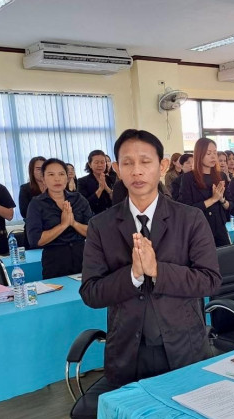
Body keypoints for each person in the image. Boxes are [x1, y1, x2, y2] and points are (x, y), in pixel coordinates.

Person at [80, 129, 221, 389]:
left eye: (145, 162)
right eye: (127, 163)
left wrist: (157, 270)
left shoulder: (190, 219)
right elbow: (91, 293)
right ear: (117, 169)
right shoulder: (101, 225)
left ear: (162, 166)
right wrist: (132, 275)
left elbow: (209, 280)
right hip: (127, 353)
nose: (137, 171)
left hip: (184, 347)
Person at [26, 158, 92, 278]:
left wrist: (73, 223)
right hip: (55, 262)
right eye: (51, 174)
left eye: (61, 174)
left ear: (67, 177)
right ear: (43, 178)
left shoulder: (79, 199)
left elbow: (92, 232)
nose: (57, 179)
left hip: (83, 258)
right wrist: (63, 225)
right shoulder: (36, 204)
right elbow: (36, 240)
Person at [179, 138, 231, 247]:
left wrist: (222, 200)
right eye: (208, 153)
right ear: (199, 154)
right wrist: (213, 199)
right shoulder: (188, 178)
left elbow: (228, 203)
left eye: (215, 153)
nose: (213, 157)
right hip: (200, 227)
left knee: (225, 255)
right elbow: (186, 209)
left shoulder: (221, 176)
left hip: (219, 227)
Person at [77, 150, 114, 215]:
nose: (100, 165)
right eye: (96, 162)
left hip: (111, 214)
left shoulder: (110, 179)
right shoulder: (82, 181)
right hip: (93, 216)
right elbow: (84, 204)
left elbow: (116, 200)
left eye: (102, 162)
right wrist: (100, 189)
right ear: (90, 164)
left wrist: (106, 188)